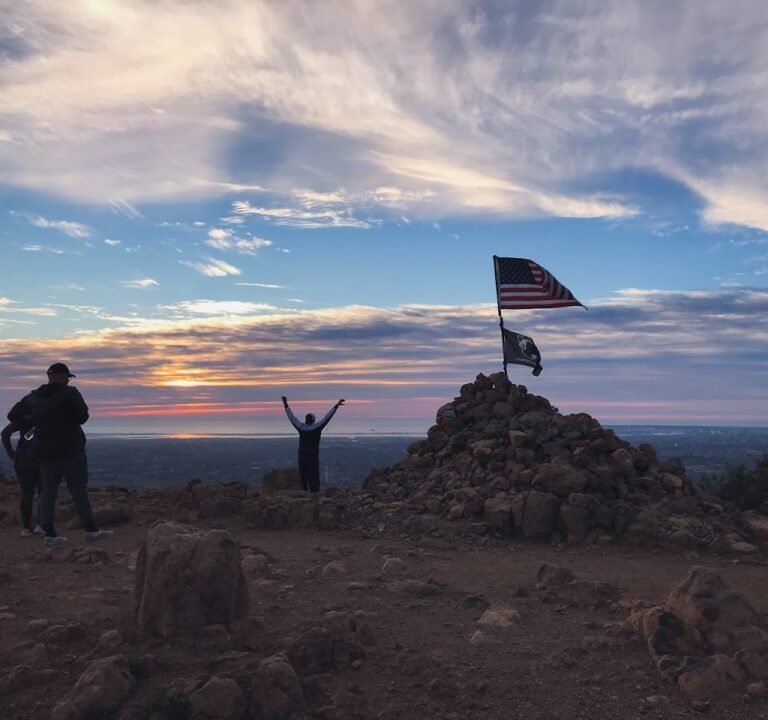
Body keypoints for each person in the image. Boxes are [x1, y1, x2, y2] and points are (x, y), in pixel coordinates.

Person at [7, 362, 111, 546]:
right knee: (78, 489)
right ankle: (91, 530)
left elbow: (12, 415)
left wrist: (33, 417)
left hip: (45, 451)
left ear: (49, 377)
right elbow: (82, 417)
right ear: (63, 377)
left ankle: (49, 534)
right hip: (71, 449)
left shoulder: (33, 397)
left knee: (48, 490)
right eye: (68, 377)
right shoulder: (70, 394)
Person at [281, 396, 344, 493]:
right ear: (313, 420)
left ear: (306, 420)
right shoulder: (316, 427)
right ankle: (314, 493)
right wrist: (336, 406)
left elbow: (292, 417)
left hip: (302, 455)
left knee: (303, 474)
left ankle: (304, 491)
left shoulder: (300, 427)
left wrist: (285, 404)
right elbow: (326, 418)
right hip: (312, 456)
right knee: (313, 474)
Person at [1, 419, 44, 537]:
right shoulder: (48, 414)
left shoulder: (24, 416)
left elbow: (5, 432)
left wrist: (11, 452)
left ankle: (26, 528)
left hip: (22, 460)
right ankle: (42, 525)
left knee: (27, 494)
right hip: (42, 460)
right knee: (44, 493)